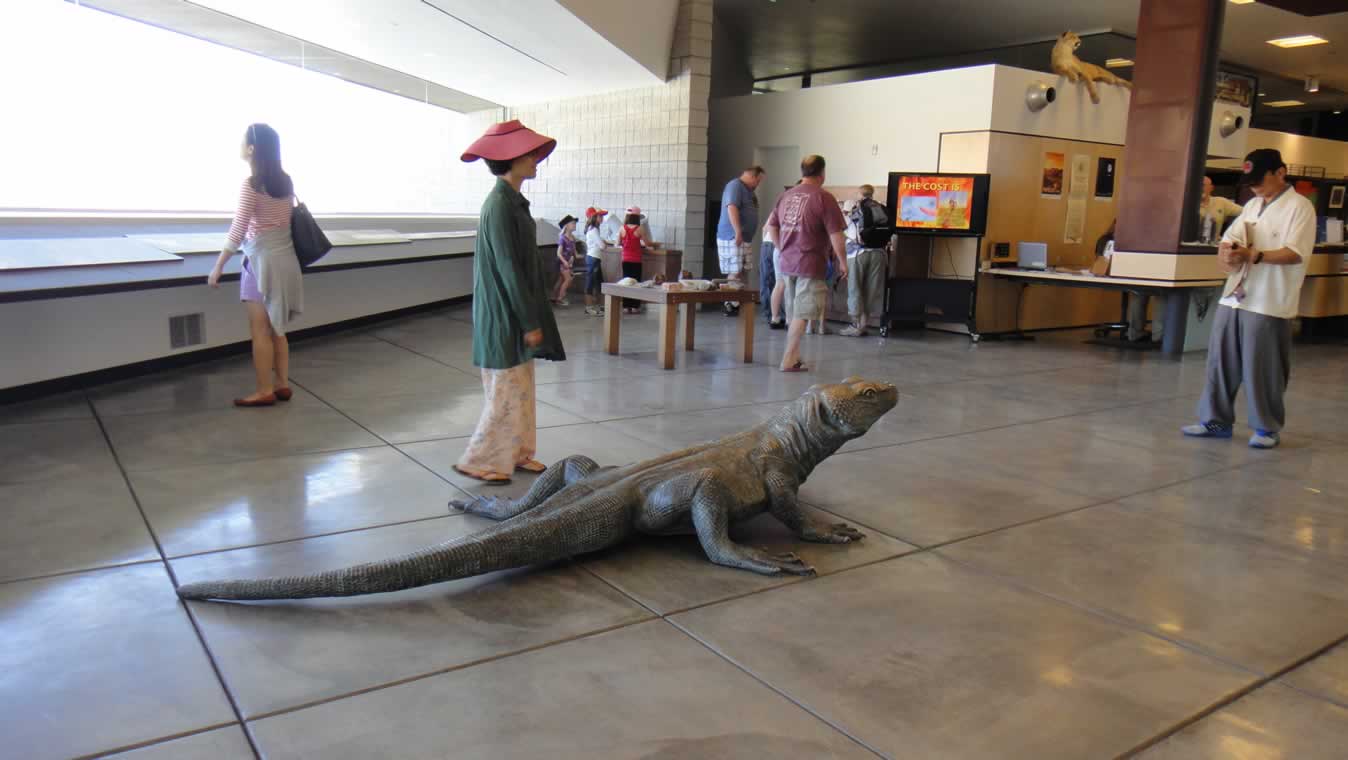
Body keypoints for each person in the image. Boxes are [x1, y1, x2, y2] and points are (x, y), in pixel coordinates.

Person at [454, 119, 566, 483]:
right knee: (505, 389)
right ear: (511, 158)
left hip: (513, 311)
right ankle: (480, 460)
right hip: (504, 313)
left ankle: (518, 452)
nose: (536, 159)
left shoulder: (512, 201)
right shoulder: (500, 204)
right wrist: (529, 321)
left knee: (520, 386)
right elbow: (507, 269)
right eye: (529, 154)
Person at [1183, 149, 1314, 450]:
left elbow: (1296, 253)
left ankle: (1266, 427)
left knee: (1263, 367)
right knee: (1220, 362)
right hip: (1235, 296)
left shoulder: (1300, 207)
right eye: (1250, 182)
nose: (1255, 188)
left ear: (1280, 173)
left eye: (1260, 180)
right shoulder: (1251, 206)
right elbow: (1230, 238)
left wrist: (1255, 255)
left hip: (1269, 300)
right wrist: (1227, 252)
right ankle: (1215, 420)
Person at [207, 123, 303, 408]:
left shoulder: (251, 184)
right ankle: (282, 383)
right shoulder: (286, 182)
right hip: (286, 261)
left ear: (252, 148)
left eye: (242, 141)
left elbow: (238, 230)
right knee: (279, 328)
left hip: (260, 263)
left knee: (260, 330)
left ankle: (264, 390)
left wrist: (218, 267)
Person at [764, 155, 847, 372]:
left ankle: (796, 356)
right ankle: (789, 359)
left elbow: (771, 226)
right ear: (822, 173)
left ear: (802, 172)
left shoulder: (786, 195)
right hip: (810, 263)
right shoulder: (824, 197)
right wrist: (843, 261)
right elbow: (836, 234)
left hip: (787, 261)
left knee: (793, 311)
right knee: (803, 312)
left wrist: (781, 247)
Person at [840, 185, 890, 337]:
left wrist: (845, 212)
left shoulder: (855, 209)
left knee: (855, 287)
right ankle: (864, 324)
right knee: (871, 289)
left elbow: (843, 229)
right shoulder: (881, 208)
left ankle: (855, 325)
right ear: (872, 194)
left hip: (857, 253)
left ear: (859, 194)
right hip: (879, 254)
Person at [717, 166, 765, 315]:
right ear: (751, 176)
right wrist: (737, 231)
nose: (758, 184)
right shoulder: (735, 186)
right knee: (734, 270)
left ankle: (739, 300)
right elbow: (732, 207)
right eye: (757, 180)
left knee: (743, 270)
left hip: (745, 237)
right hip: (732, 236)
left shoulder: (748, 191)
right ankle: (730, 303)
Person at [618, 206, 656, 313]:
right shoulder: (640, 229)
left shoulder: (622, 228)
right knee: (636, 283)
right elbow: (647, 243)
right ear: (637, 217)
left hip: (625, 258)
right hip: (636, 259)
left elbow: (618, 243)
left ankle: (626, 306)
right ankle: (635, 306)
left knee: (626, 282)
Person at [582, 207, 608, 316]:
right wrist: (604, 243)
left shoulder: (593, 229)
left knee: (599, 283)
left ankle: (601, 306)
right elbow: (602, 246)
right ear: (594, 217)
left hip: (594, 258)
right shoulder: (593, 230)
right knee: (591, 283)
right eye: (600, 216)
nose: (602, 218)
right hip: (593, 259)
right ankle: (589, 307)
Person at [553, 214, 577, 306]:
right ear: (566, 226)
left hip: (568, 262)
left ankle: (555, 296)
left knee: (561, 279)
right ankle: (560, 298)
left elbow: (575, 253)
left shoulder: (573, 238)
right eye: (573, 223)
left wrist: (578, 257)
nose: (574, 225)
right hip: (562, 262)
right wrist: (565, 262)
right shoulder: (563, 238)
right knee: (568, 279)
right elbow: (559, 253)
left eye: (575, 223)